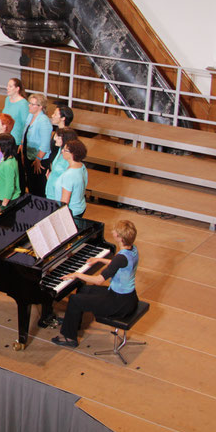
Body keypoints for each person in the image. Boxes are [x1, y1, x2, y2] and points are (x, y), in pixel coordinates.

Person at [53, 220, 139, 348]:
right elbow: (120, 264)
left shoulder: (120, 258)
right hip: (129, 298)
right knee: (84, 290)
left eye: (115, 231)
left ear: (119, 238)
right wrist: (99, 259)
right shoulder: (133, 250)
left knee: (74, 299)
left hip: (119, 303)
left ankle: (70, 338)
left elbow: (99, 280)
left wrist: (77, 274)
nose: (113, 232)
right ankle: (73, 323)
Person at [21, 93, 52, 197]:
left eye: (33, 104)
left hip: (40, 159)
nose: (29, 106)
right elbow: (24, 133)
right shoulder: (30, 115)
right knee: (30, 183)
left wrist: (38, 159)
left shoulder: (43, 121)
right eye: (30, 103)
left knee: (38, 186)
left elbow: (45, 144)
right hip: (29, 155)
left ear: (40, 107)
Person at [58, 139, 89, 219]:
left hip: (71, 212)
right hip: (80, 207)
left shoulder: (69, 175)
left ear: (72, 154)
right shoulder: (82, 166)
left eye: (65, 150)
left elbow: (64, 202)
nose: (62, 151)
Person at [45, 128, 78, 202]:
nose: (55, 138)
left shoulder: (69, 158)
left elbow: (69, 180)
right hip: (51, 190)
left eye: (58, 137)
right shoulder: (60, 150)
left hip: (59, 195)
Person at [46, 104, 74, 170]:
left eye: (55, 114)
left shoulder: (67, 135)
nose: (52, 116)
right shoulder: (58, 129)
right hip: (53, 164)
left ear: (63, 118)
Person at [2, 77, 29, 145]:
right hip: (5, 136)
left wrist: (22, 142)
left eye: (10, 86)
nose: (7, 88)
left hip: (15, 139)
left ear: (17, 89)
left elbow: (26, 124)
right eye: (7, 86)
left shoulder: (23, 104)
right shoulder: (7, 99)